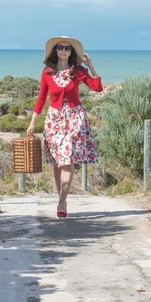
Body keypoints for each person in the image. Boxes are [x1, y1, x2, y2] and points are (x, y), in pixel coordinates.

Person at [27, 36, 103, 218]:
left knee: (67, 159)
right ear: (55, 51)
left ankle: (62, 201)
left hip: (74, 119)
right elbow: (41, 98)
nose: (63, 50)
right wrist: (32, 122)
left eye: (67, 48)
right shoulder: (47, 73)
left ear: (71, 52)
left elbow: (97, 88)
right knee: (57, 161)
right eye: (60, 48)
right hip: (54, 121)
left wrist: (90, 66)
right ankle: (60, 195)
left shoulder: (78, 71)